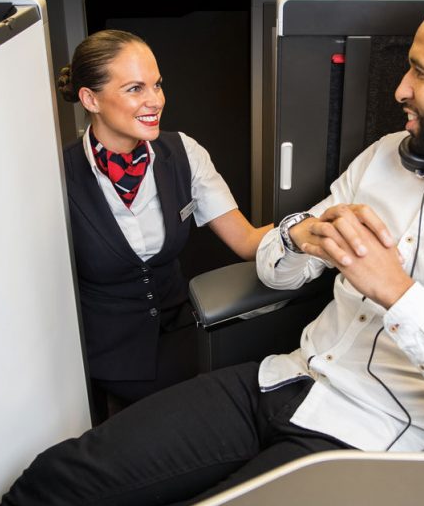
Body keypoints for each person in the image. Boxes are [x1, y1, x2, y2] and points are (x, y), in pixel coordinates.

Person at [0, 0, 424, 506]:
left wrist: (400, 295)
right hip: (284, 379)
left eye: (421, 74)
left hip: (370, 444)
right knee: (58, 483)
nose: (400, 89)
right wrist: (300, 237)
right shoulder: (388, 155)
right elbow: (275, 267)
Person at [57, 30, 272, 409]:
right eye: (135, 89)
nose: (155, 101)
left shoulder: (183, 152)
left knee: (250, 391)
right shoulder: (57, 175)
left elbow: (247, 241)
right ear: (90, 98)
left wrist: (313, 225)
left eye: (157, 85)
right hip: (110, 354)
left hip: (185, 333)